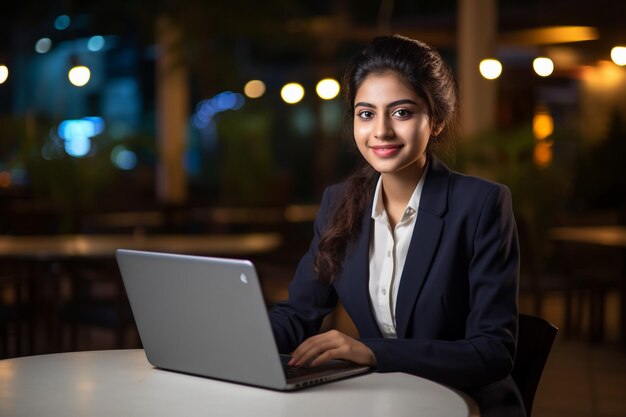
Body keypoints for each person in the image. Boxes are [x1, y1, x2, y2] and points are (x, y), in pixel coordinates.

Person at [269, 35, 525, 417]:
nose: (381, 131)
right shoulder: (339, 203)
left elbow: (492, 351)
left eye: (402, 112)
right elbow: (297, 315)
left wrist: (373, 351)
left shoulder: (482, 205)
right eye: (366, 113)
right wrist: (233, 340)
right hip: (380, 399)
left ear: (436, 120)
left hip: (465, 401)